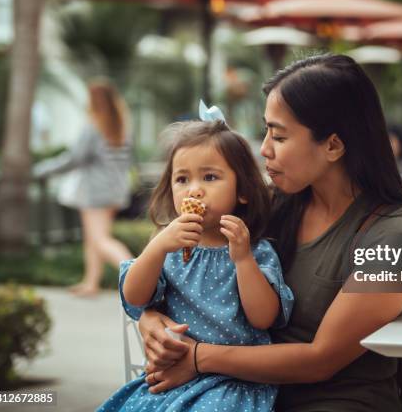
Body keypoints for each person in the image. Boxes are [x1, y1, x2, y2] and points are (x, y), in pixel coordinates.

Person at [136, 54, 402, 411]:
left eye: (279, 135)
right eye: (266, 131)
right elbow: (180, 279)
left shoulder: (396, 239)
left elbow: (321, 359)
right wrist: (151, 321)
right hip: (234, 395)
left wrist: (197, 358)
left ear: (333, 145)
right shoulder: (269, 207)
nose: (264, 149)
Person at [98, 108, 294, 411]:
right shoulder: (167, 246)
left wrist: (242, 260)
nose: (194, 190)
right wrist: (157, 247)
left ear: (242, 190)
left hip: (233, 381)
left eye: (210, 177)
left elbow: (263, 317)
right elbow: (134, 297)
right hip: (174, 376)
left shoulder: (252, 249)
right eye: (182, 179)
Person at [33, 79, 133, 296]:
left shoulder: (93, 127)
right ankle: (91, 282)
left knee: (100, 240)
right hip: (116, 190)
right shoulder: (123, 126)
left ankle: (134, 272)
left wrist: (42, 169)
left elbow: (74, 158)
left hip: (95, 191)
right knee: (94, 237)